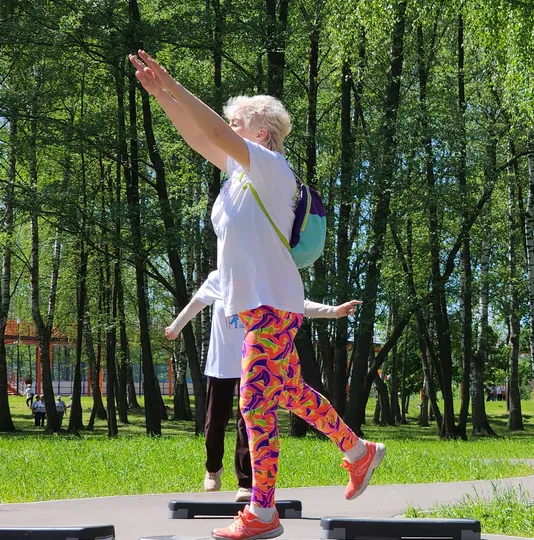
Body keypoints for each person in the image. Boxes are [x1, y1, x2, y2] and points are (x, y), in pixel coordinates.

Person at [129, 50, 385, 540]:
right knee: (287, 392)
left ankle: (263, 512)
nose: (227, 126)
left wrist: (175, 83)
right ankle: (358, 451)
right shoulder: (237, 177)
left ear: (261, 132)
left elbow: (215, 131)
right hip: (258, 308)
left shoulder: (270, 169)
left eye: (236, 121)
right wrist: (162, 95)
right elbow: (198, 135)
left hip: (273, 304)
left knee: (253, 403)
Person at [165, 269, 363, 503]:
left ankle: (246, 483)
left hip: (254, 363)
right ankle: (213, 468)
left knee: (248, 423)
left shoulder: (263, 278)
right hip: (221, 363)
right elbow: (194, 305)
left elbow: (297, 304)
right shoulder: (218, 278)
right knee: (214, 422)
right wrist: (175, 328)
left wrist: (334, 312)